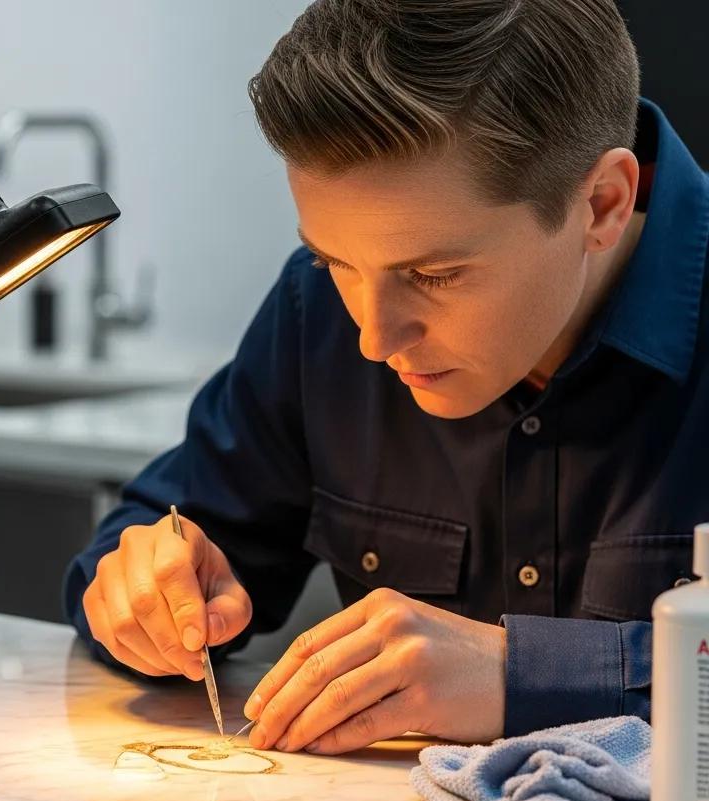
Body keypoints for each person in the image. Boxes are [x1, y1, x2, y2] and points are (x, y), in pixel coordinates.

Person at [64, 0, 709, 756]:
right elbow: (171, 525)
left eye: (435, 275)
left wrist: (523, 675)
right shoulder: (318, 313)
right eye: (337, 260)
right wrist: (143, 587)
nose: (373, 338)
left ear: (602, 204)